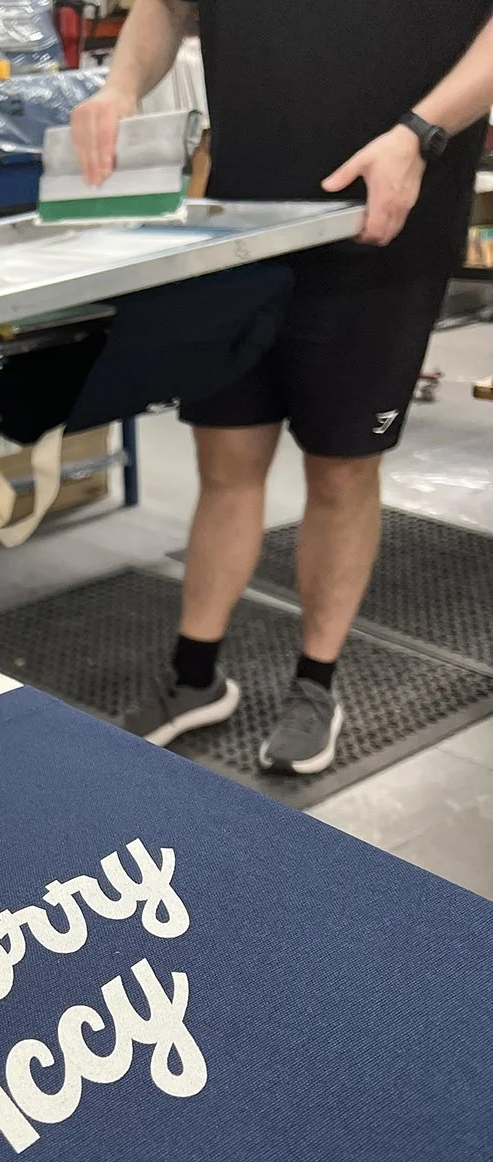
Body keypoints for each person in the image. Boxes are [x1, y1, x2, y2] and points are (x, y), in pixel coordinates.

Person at [72, 0, 493, 774]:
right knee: (226, 462)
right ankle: (197, 678)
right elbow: (166, 6)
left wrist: (420, 132)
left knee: (341, 464)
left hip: (382, 228)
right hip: (239, 225)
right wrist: (121, 88)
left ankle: (316, 685)